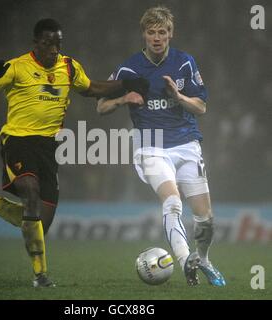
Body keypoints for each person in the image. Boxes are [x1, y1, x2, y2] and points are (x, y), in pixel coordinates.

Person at [0, 18, 149, 288]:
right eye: (48, 44)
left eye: (58, 44)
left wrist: (126, 84)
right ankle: (40, 276)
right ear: (36, 43)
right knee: (30, 191)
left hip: (49, 148)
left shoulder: (68, 66)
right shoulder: (16, 67)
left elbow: (93, 89)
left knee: (38, 221)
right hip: (19, 140)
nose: (54, 49)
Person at [97, 6, 226, 286]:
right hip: (151, 145)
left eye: (162, 32)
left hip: (187, 144)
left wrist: (178, 96)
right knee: (172, 201)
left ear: (170, 34)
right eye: (151, 32)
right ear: (143, 35)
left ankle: (203, 258)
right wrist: (122, 99)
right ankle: (185, 262)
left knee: (206, 219)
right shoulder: (129, 69)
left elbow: (201, 107)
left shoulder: (184, 63)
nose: (157, 38)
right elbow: (101, 106)